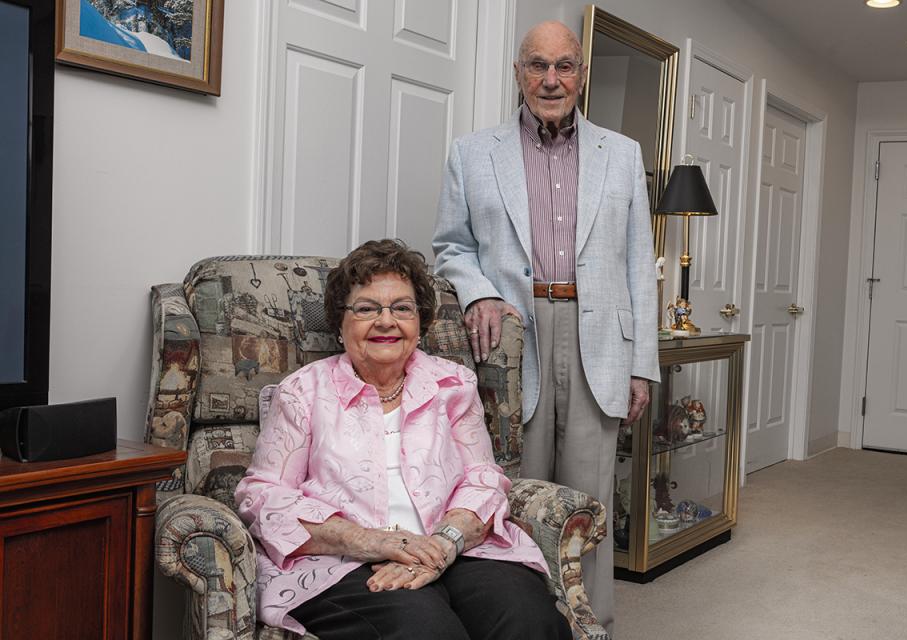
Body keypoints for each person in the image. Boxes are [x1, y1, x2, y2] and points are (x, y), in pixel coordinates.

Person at [432, 20, 660, 634]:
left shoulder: (624, 152)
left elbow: (640, 265)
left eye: (565, 66)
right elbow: (451, 248)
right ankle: (524, 623)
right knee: (515, 496)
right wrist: (478, 294)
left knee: (588, 496)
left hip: (600, 342)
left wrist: (644, 363)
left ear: (582, 74)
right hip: (513, 337)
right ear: (518, 73)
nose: (551, 79)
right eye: (538, 65)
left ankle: (593, 624)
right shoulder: (473, 152)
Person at [235, 239, 571, 640]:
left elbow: (483, 478)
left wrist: (444, 544)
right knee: (425, 629)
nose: (385, 321)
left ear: (420, 321)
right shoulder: (303, 392)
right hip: (344, 561)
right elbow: (262, 496)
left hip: (455, 549)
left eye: (401, 308)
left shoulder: (453, 383)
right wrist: (371, 541)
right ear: (340, 324)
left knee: (528, 620)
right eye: (366, 308)